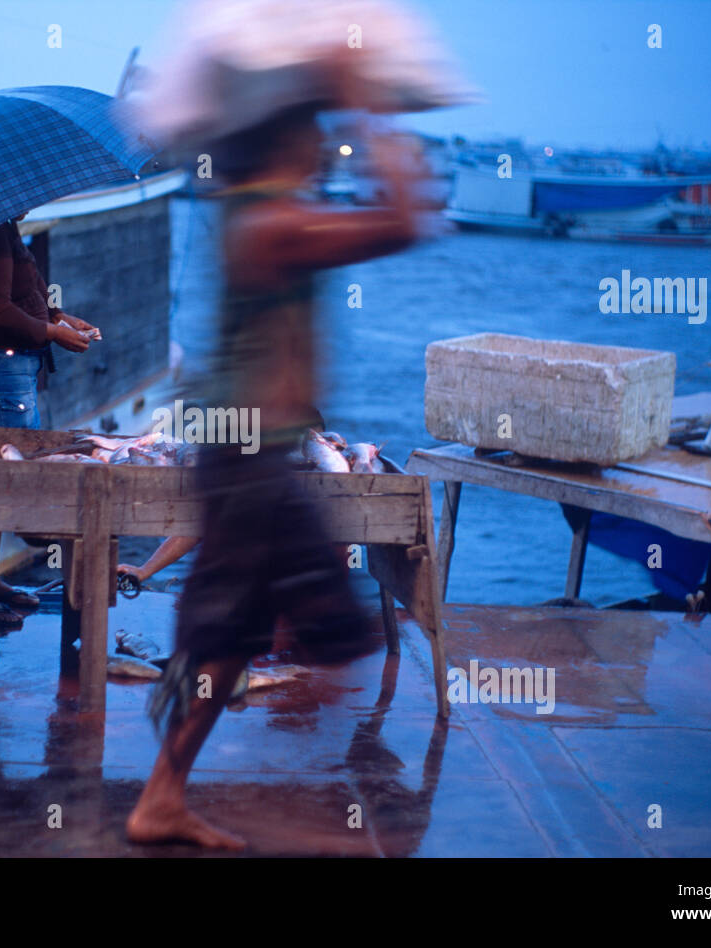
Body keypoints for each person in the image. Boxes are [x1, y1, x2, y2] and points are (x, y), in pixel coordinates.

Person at [125, 89, 430, 848]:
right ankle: (317, 821)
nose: (322, 148)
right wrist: (374, 113)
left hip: (256, 457)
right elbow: (401, 222)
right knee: (335, 632)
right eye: (312, 136)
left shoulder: (258, 210)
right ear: (282, 147)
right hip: (249, 461)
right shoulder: (272, 221)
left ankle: (162, 794)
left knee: (237, 631)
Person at [0, 215, 99, 626]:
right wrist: (52, 335)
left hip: (2, 367)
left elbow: (21, 294)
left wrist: (60, 319)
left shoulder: (1, 229)